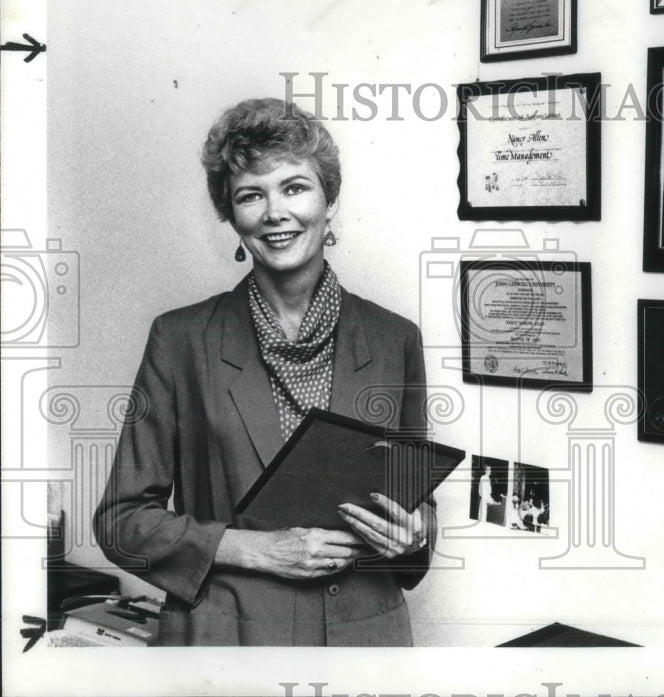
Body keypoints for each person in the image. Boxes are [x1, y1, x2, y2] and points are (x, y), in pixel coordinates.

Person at [93, 98, 433, 646]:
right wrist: (256, 548)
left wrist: (413, 534)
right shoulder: (180, 340)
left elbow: (415, 508)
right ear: (231, 217)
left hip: (364, 643)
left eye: (294, 187)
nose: (276, 213)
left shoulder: (395, 339)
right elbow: (120, 522)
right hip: (228, 643)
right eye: (251, 195)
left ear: (329, 200)